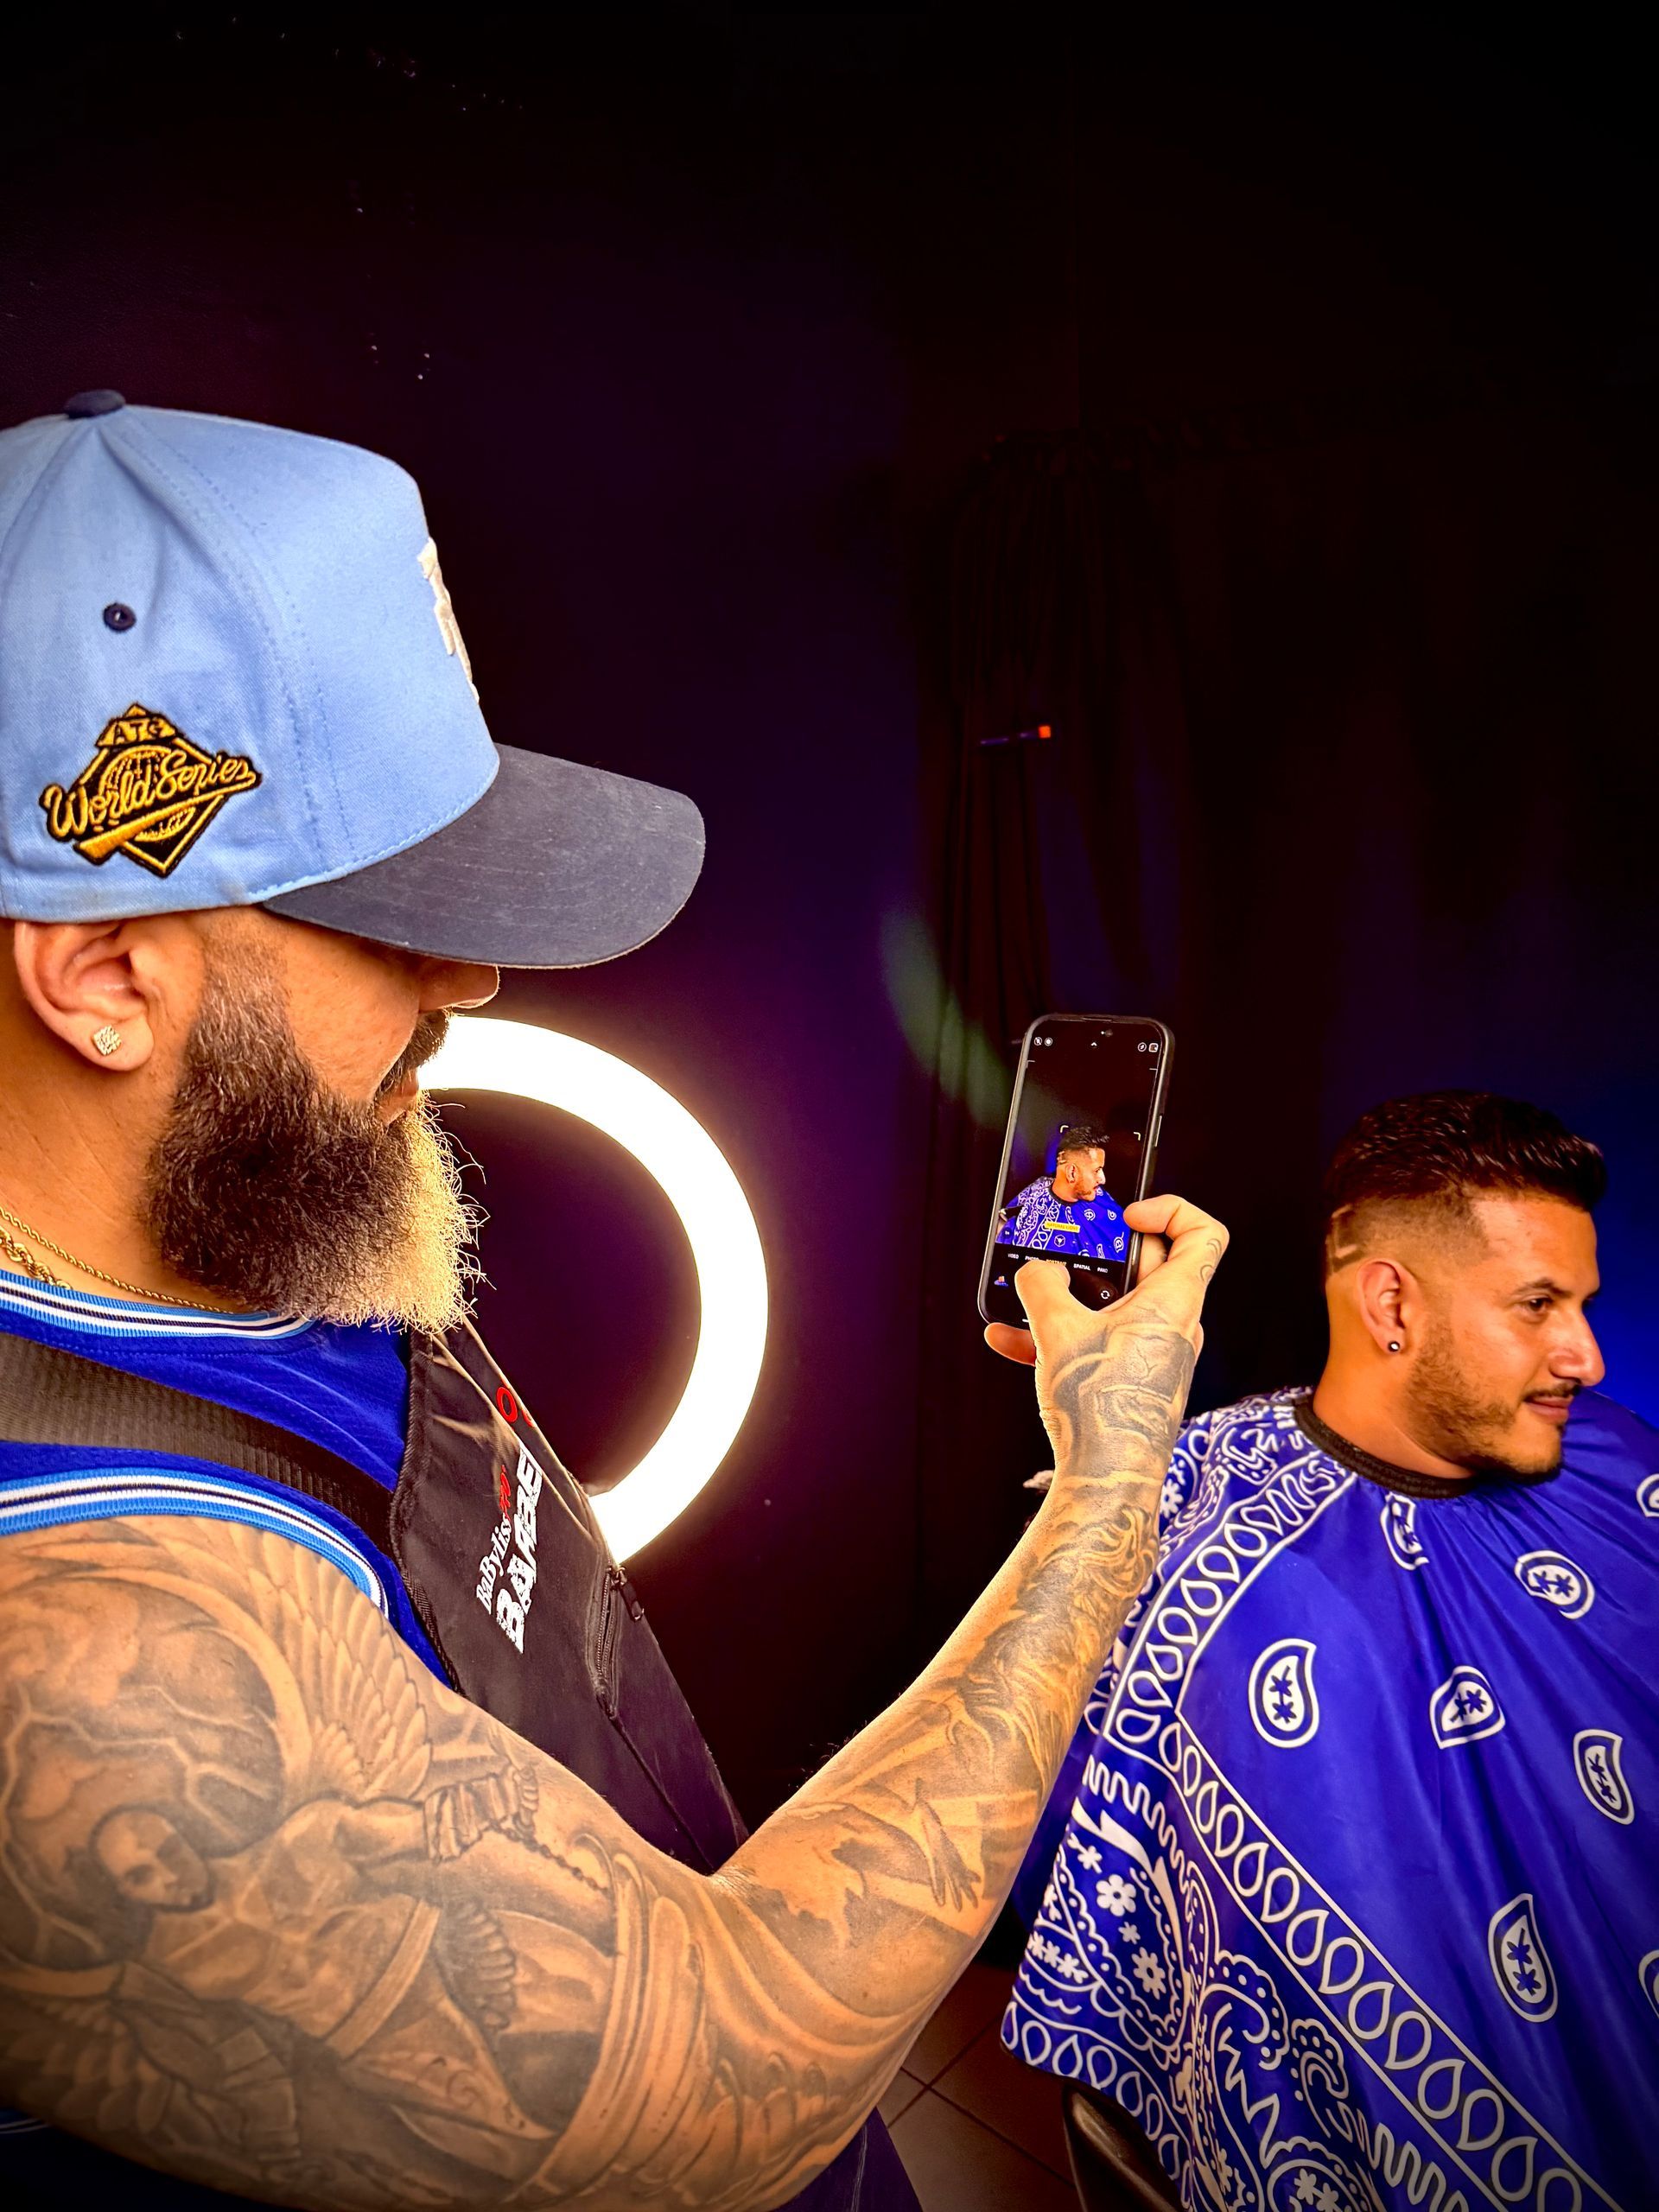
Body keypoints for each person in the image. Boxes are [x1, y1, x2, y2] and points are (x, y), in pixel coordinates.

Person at [0, 392, 1226, 2211]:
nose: (472, 976)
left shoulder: (256, 1198)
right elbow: (740, 2069)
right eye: (391, 916)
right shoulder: (97, 1679)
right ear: (105, 977)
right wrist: (1113, 1490)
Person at [1001, 1090, 1659, 2212]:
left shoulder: (1613, 1456)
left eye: (1582, 1306)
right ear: (1391, 1300)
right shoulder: (1186, 1546)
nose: (1587, 1356)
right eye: (1539, 1305)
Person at [996, 1123, 1128, 1263]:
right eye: (1096, 1171)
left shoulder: (1098, 1193)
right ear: (1072, 1173)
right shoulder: (1033, 1209)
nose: (1103, 1179)